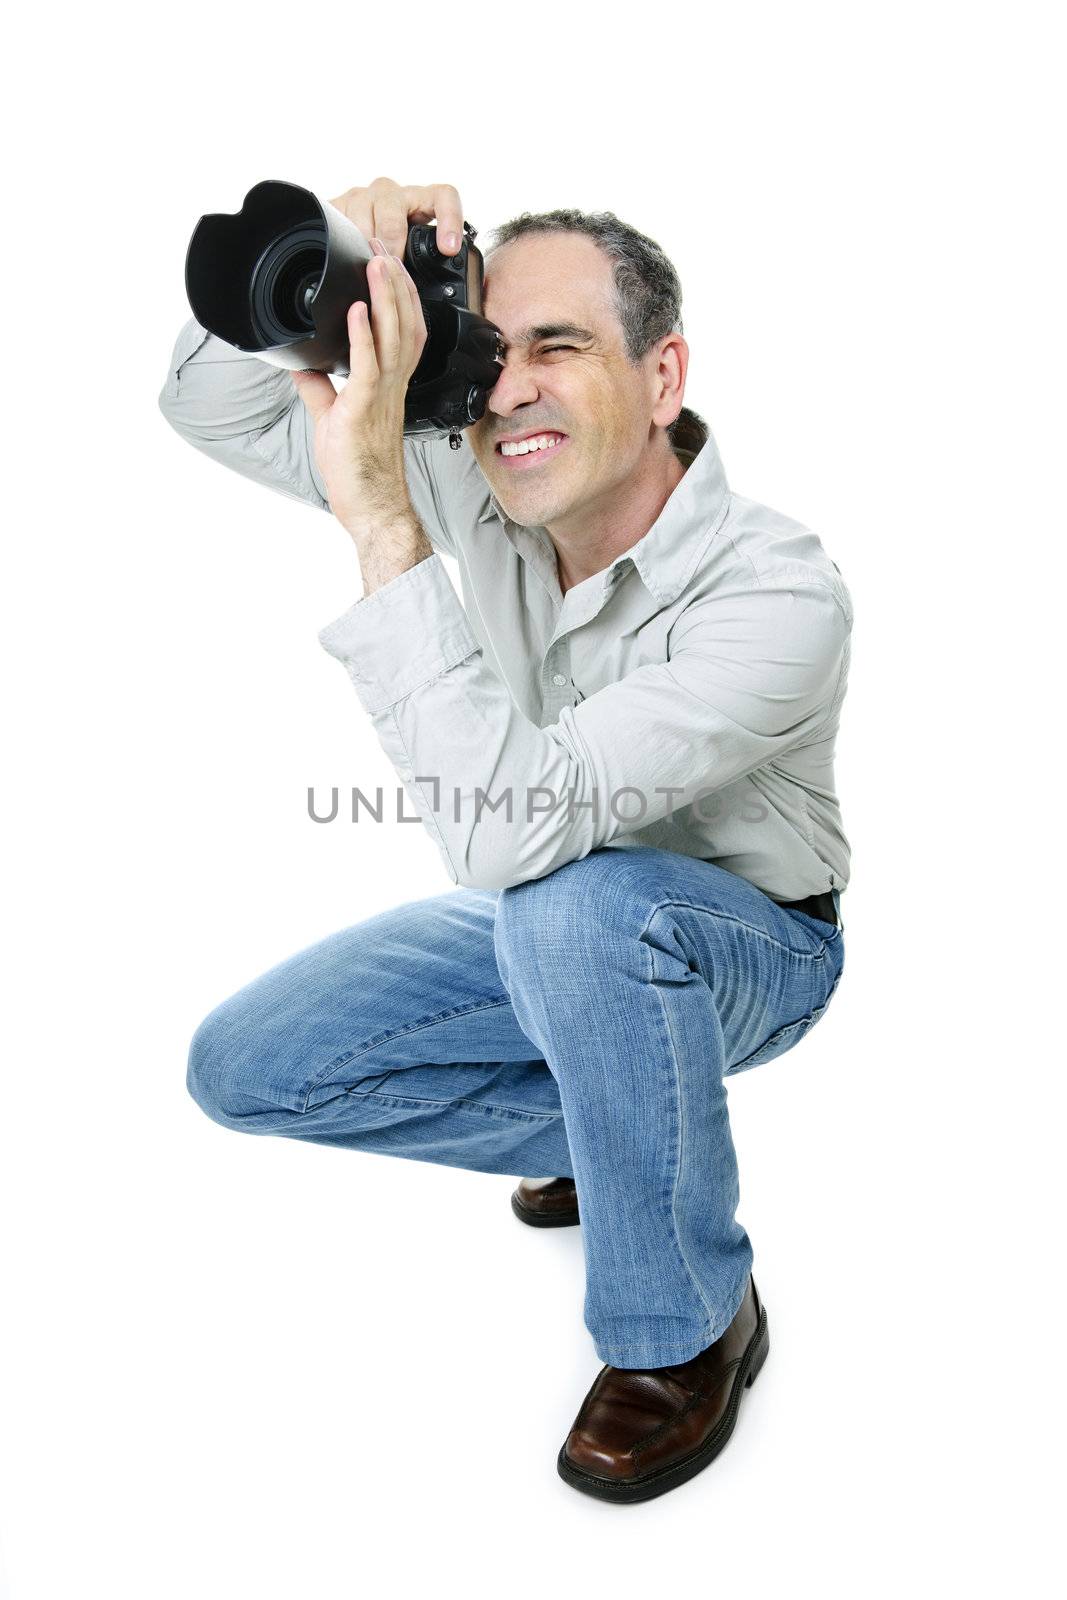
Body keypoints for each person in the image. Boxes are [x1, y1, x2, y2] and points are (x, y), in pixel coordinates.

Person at [158, 177, 852, 1504]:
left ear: (662, 378)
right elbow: (204, 400)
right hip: (552, 917)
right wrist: (360, 282)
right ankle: (619, 1130)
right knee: (243, 1068)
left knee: (569, 909)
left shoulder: (776, 591)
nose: (507, 386)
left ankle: (686, 1322)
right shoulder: (469, 464)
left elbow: (511, 837)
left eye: (561, 346)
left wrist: (378, 522)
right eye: (490, 341)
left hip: (747, 942)